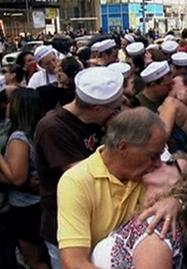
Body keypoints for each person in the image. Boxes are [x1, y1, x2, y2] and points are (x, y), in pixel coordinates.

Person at [34, 67, 125, 269]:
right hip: (67, 228)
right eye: (115, 109)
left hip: (100, 223)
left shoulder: (99, 120)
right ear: (96, 109)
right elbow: (81, 177)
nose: (118, 113)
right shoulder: (53, 128)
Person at [57, 108, 170, 269]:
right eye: (153, 156)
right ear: (123, 148)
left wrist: (177, 201)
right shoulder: (76, 182)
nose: (159, 163)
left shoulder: (148, 172)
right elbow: (74, 263)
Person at [91, 152, 187, 269]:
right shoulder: (146, 214)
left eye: (170, 163)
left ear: (182, 184)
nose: (159, 163)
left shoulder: (157, 234)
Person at [0, 88, 48, 269]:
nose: (7, 105)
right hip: (38, 203)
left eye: (11, 101)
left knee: (35, 261)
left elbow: (17, 178)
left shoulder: (19, 138)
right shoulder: (40, 131)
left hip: (25, 209)